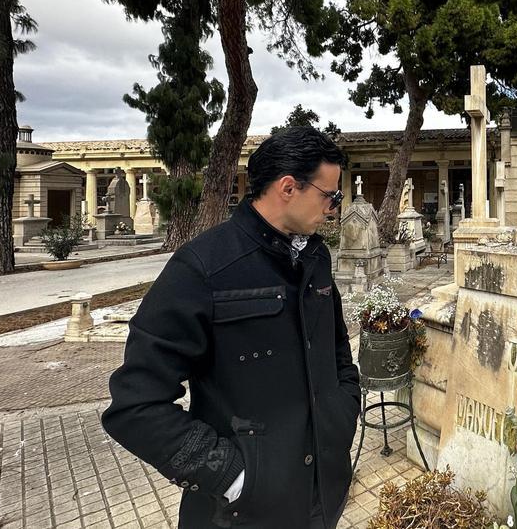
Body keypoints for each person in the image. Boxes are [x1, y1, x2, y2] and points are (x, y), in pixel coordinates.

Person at [101, 126, 359, 528]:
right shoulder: (203, 268)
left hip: (322, 494)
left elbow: (337, 349)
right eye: (330, 195)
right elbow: (136, 405)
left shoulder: (314, 257)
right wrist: (234, 478)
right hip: (241, 514)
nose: (334, 208)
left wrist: (343, 412)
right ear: (288, 187)